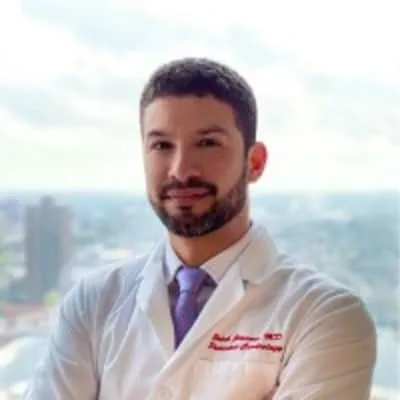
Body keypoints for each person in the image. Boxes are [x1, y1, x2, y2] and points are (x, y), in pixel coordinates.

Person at [25, 57, 376, 400]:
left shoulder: (325, 315)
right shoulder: (92, 304)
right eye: (162, 145)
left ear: (254, 162)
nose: (180, 170)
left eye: (208, 143)